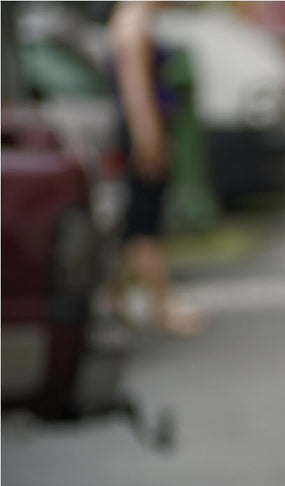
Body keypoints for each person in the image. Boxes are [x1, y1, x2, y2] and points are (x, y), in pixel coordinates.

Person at [108, 1, 204, 337]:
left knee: (132, 223)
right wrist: (149, 139)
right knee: (144, 223)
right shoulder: (132, 20)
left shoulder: (135, 19)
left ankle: (114, 301)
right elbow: (135, 87)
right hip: (141, 133)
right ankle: (164, 306)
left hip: (142, 131)